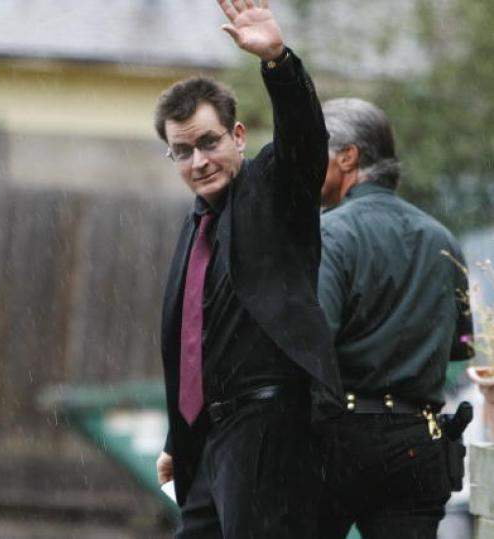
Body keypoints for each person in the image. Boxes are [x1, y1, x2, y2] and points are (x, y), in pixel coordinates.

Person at [153, 1, 343, 536]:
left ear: (237, 136)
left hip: (268, 434)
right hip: (211, 442)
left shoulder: (272, 190)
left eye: (209, 142)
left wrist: (279, 63)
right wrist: (179, 439)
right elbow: (194, 344)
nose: (199, 161)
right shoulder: (196, 227)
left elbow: (305, 141)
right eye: (182, 151)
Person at [317, 97, 475, 538]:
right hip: (418, 444)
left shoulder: (332, 233)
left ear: (348, 156)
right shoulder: (443, 239)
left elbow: (313, 341)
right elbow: (460, 348)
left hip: (339, 441)